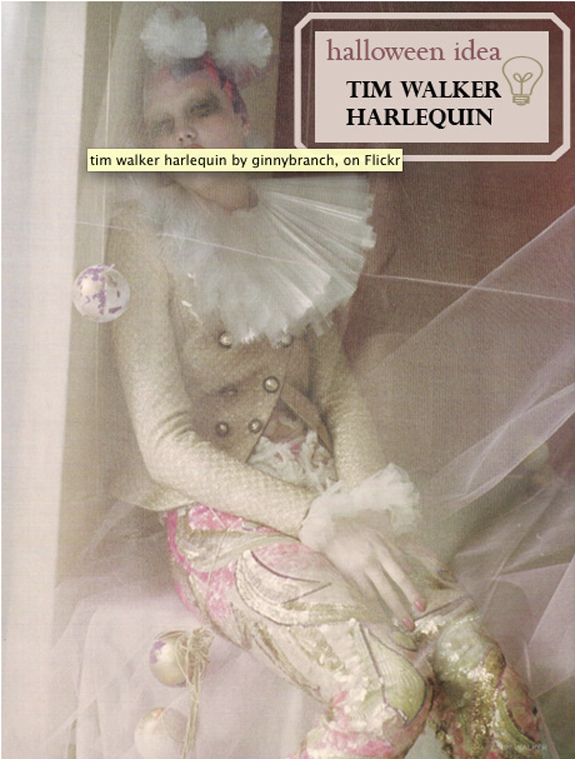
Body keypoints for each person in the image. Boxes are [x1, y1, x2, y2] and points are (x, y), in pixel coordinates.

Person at [95, 9, 545, 759]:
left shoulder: (287, 224)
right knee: (389, 691)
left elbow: (335, 391)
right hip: (225, 522)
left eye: (199, 110)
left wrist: (364, 506)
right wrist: (314, 521)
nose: (181, 136)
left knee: (483, 676)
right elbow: (163, 443)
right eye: (160, 125)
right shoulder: (141, 237)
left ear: (239, 115)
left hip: (333, 494)